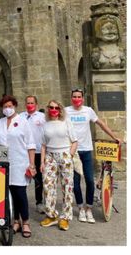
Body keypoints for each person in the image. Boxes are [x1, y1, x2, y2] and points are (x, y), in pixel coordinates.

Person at [66, 89, 122, 223]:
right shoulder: (66, 111)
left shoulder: (88, 111)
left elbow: (101, 124)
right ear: (71, 98)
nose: (77, 99)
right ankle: (80, 208)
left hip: (86, 150)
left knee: (90, 181)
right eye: (74, 96)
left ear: (83, 98)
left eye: (79, 97)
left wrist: (114, 137)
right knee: (76, 182)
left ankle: (89, 208)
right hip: (73, 151)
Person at [0, 95, 36, 238]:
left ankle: (26, 222)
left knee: (20, 193)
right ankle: (16, 221)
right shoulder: (0, 122)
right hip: (4, 163)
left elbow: (31, 145)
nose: (7, 109)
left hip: (20, 163)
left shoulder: (23, 122)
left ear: (15, 106)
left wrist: (32, 164)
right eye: (5, 106)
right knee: (9, 193)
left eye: (10, 106)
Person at [40, 99, 78, 231]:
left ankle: (65, 217)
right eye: (51, 107)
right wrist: (42, 162)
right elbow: (43, 145)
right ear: (48, 109)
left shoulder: (66, 122)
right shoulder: (45, 124)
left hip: (65, 154)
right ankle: (51, 215)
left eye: (56, 108)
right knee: (48, 185)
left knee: (67, 186)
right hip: (50, 156)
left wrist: (70, 156)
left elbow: (74, 141)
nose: (54, 110)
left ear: (60, 110)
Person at [20, 95, 46, 213]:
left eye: (32, 103)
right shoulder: (20, 117)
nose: (30, 105)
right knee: (22, 177)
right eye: (28, 103)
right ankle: (20, 201)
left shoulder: (42, 117)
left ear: (36, 104)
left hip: (38, 151)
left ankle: (39, 202)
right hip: (24, 152)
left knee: (38, 178)